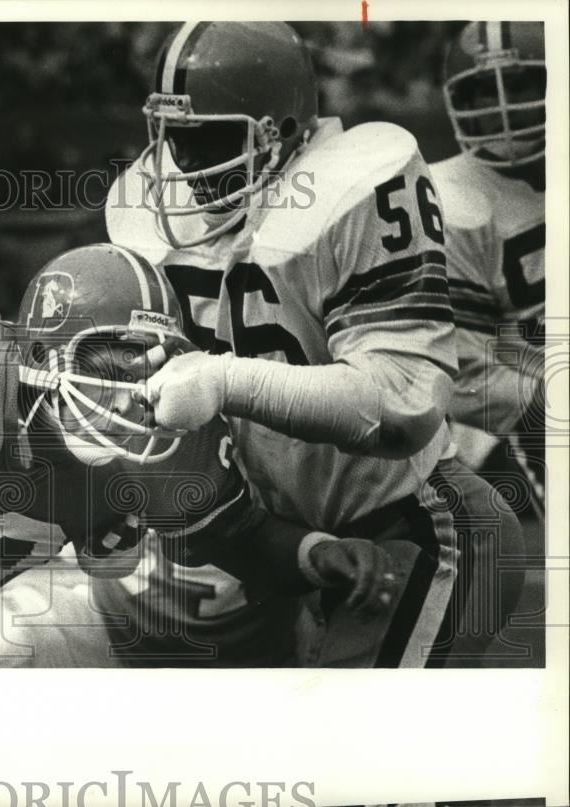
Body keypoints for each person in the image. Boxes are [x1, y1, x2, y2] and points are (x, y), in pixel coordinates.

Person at [105, 21, 523, 666]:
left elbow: (403, 402)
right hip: (284, 542)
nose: (185, 164)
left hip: (417, 523)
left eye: (210, 135)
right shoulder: (162, 209)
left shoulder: (352, 188)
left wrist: (226, 380)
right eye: (173, 136)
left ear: (282, 128)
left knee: (356, 750)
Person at [0, 243, 397, 667]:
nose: (139, 389)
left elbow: (239, 536)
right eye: (111, 361)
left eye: (152, 360)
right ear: (41, 356)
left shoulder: (164, 445)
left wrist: (318, 554)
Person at [430, 21, 546, 519]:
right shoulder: (449, 200)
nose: (502, 105)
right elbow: (460, 377)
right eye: (481, 92)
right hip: (523, 417)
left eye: (520, 85)